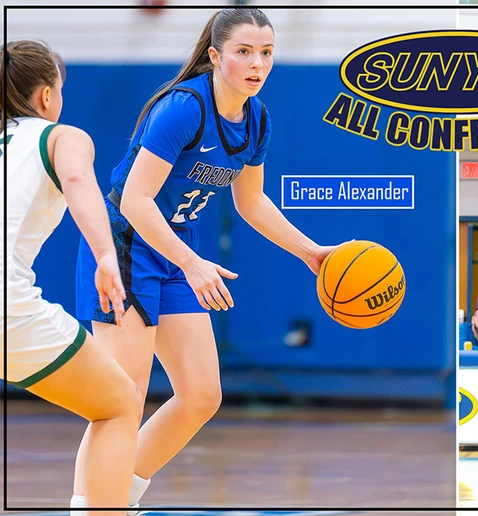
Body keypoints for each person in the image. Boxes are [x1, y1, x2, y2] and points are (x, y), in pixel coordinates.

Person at [71, 8, 342, 510]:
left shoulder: (256, 117)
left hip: (174, 246)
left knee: (200, 395)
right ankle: (89, 505)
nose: (257, 63)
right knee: (120, 396)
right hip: (126, 243)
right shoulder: (184, 108)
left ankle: (115, 496)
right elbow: (134, 200)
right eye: (244, 52)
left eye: (266, 53)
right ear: (216, 56)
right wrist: (194, 263)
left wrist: (311, 252)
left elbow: (251, 201)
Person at [1, 40, 143, 513]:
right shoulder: (61, 136)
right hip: (9, 308)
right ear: (46, 96)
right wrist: (106, 254)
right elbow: (80, 181)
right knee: (119, 404)